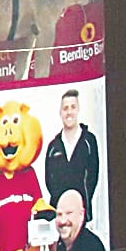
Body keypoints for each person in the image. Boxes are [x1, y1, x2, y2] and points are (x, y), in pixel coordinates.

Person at [44, 88, 100, 220]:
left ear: (78, 110)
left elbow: (93, 176)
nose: (69, 112)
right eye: (65, 108)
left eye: (73, 107)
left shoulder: (88, 141)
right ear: (60, 112)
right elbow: (49, 181)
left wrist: (81, 204)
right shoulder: (53, 146)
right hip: (60, 215)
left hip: (82, 213)